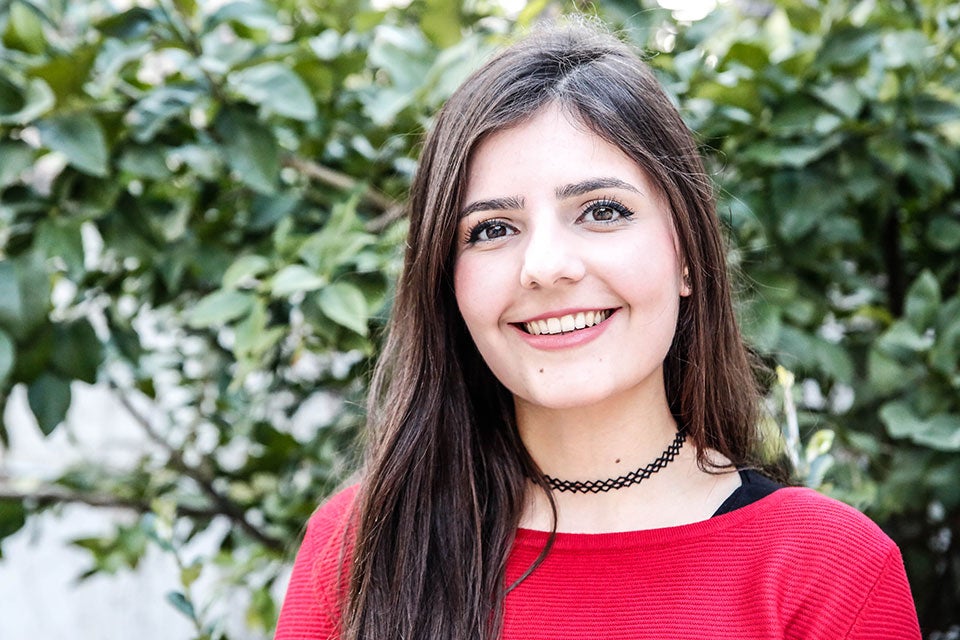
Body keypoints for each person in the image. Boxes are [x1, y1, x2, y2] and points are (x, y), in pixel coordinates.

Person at [275, 20, 921, 640]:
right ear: (447, 280)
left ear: (689, 255)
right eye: (493, 229)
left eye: (602, 211)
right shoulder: (359, 550)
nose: (546, 267)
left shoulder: (829, 569)